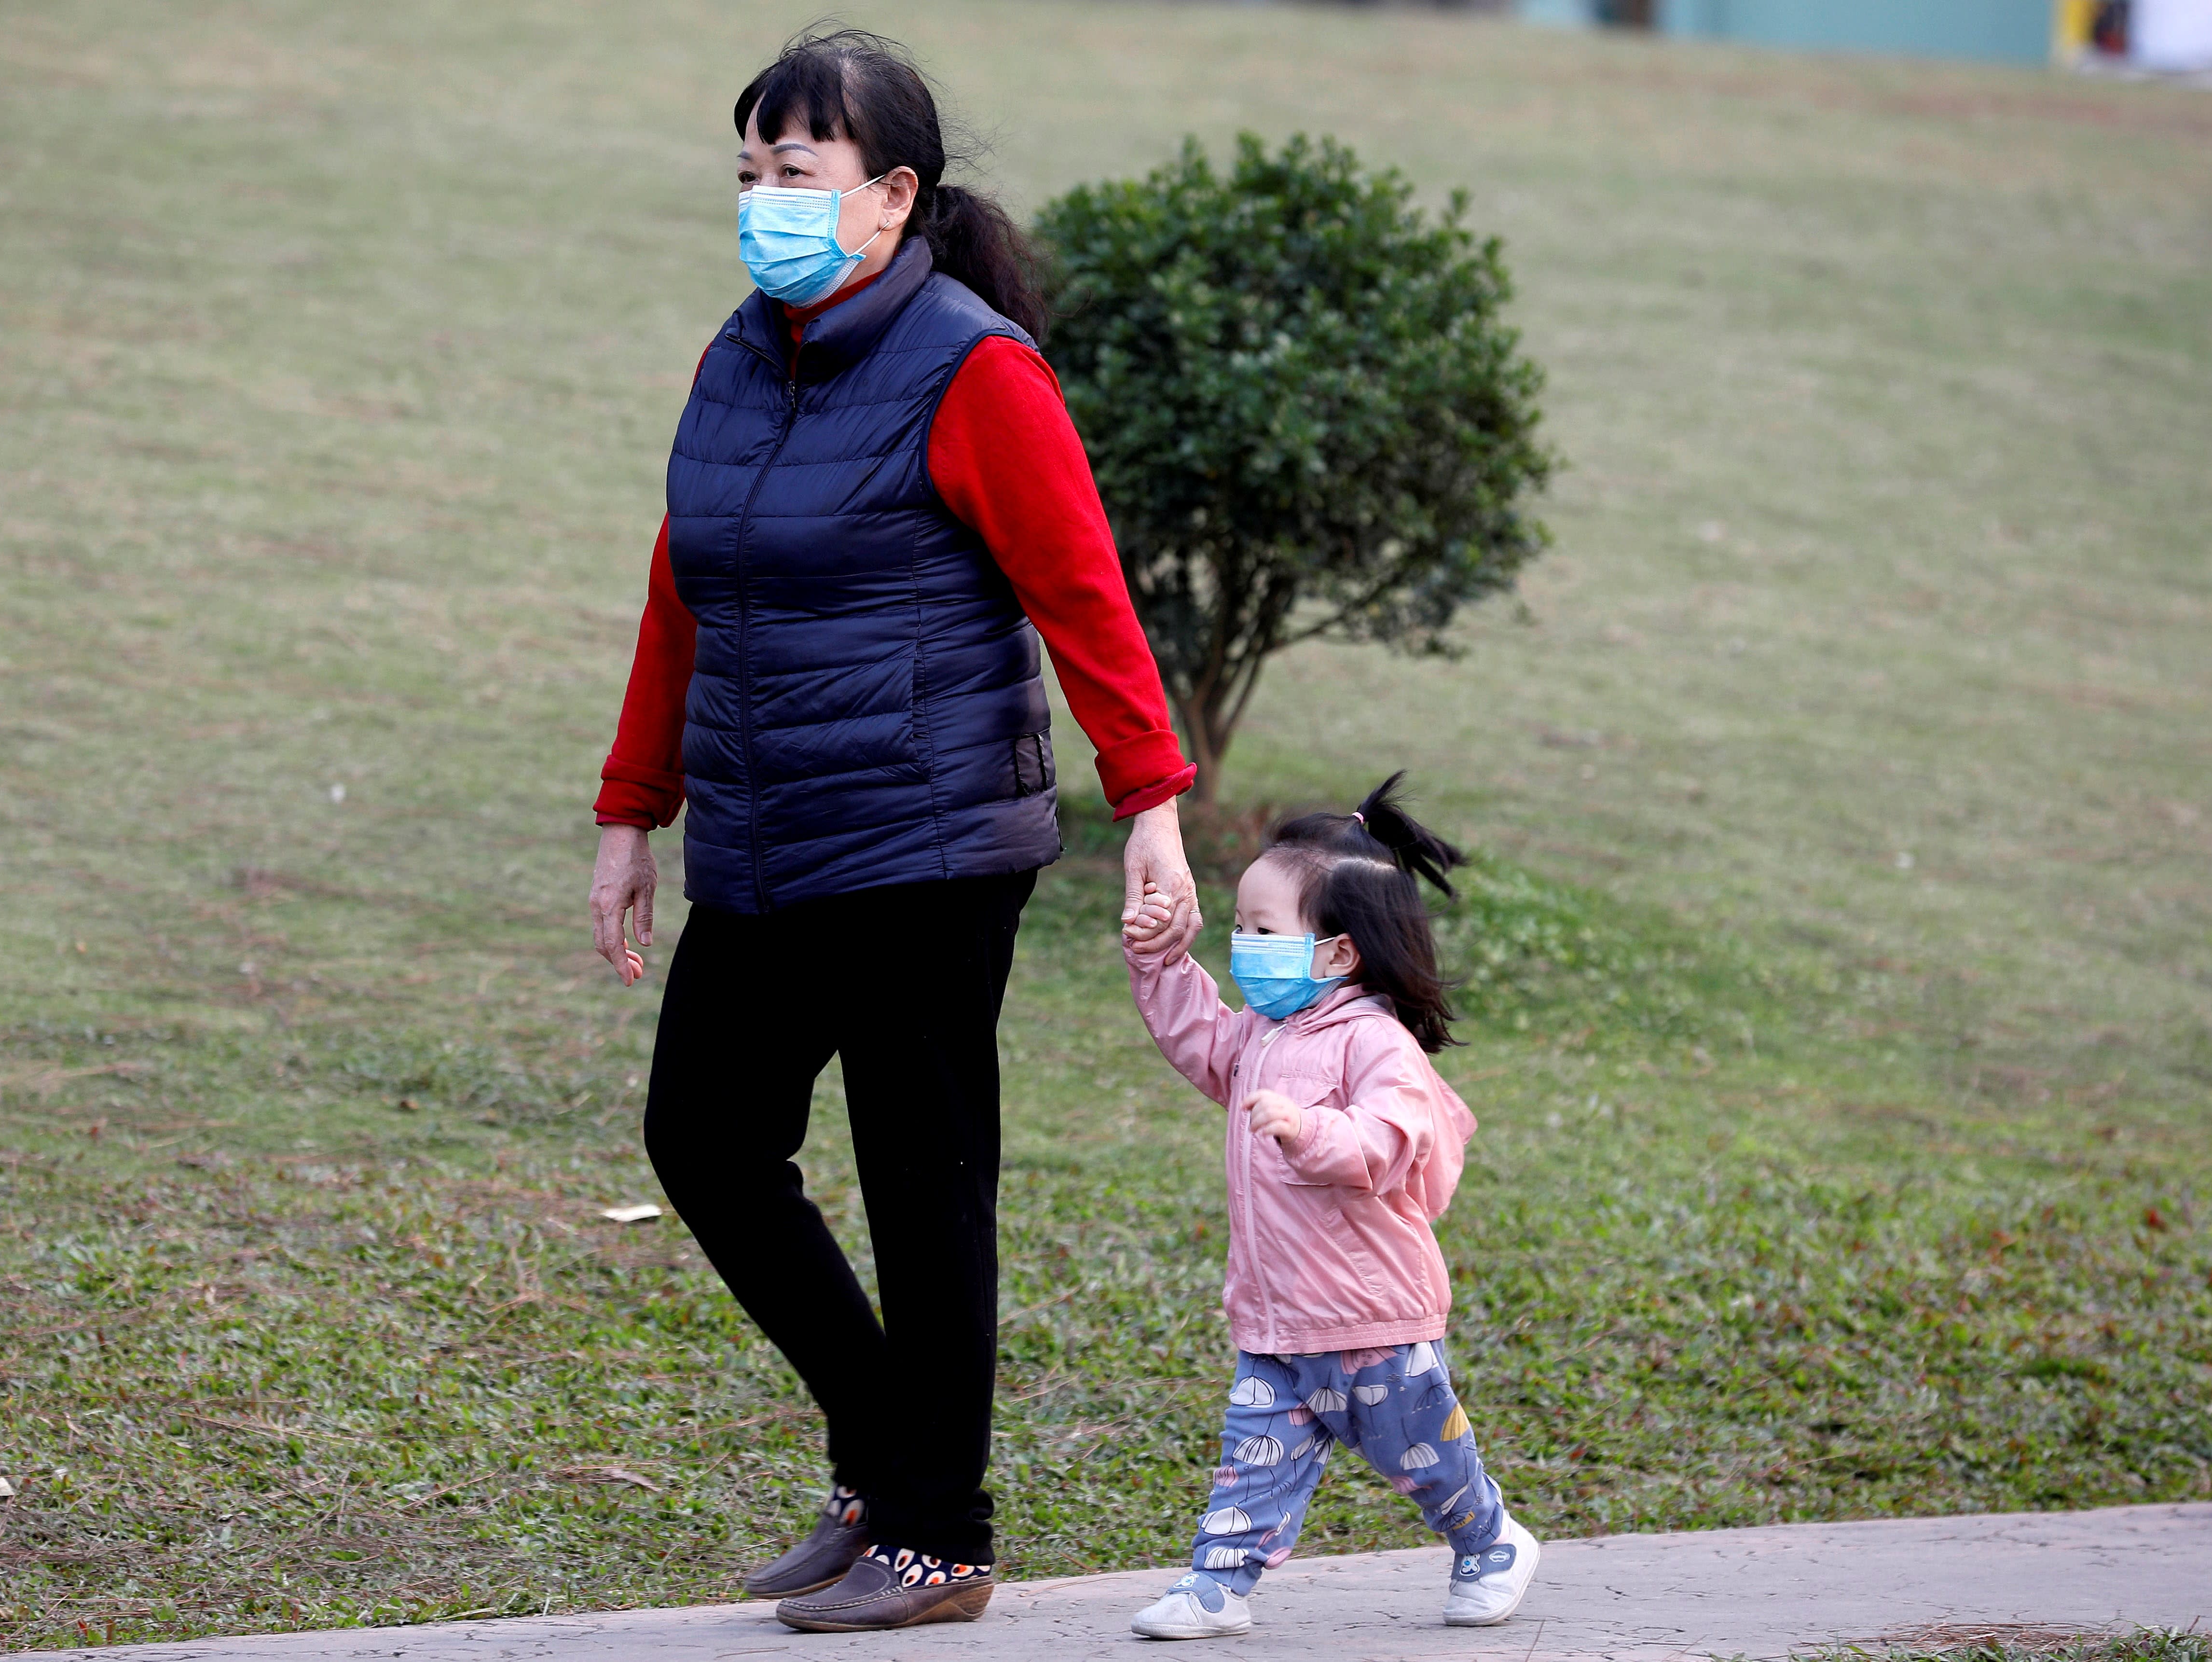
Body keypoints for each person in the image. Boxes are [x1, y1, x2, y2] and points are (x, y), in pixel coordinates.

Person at [585, 27, 1203, 1635]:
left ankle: (939, 1535)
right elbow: (681, 589)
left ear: (891, 195)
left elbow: (1081, 592)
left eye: (794, 171)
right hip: (769, 830)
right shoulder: (740, 355)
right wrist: (631, 811)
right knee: (703, 1136)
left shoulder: (972, 367)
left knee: (921, 1186)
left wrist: (1148, 808)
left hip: (927, 846)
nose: (762, 201)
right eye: (747, 172)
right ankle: (881, 1454)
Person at [1117, 775, 1540, 1639]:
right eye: (1238, 927)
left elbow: (1388, 1140)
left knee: (1425, 1459)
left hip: (1370, 1317)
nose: (1243, 946)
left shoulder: (1377, 1043)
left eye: (1263, 931)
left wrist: (1308, 1129)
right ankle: (1217, 1586)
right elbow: (1199, 1035)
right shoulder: (1261, 1035)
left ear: (1338, 953)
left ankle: (1490, 1541)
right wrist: (1162, 959)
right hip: (1276, 1317)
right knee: (1253, 1460)